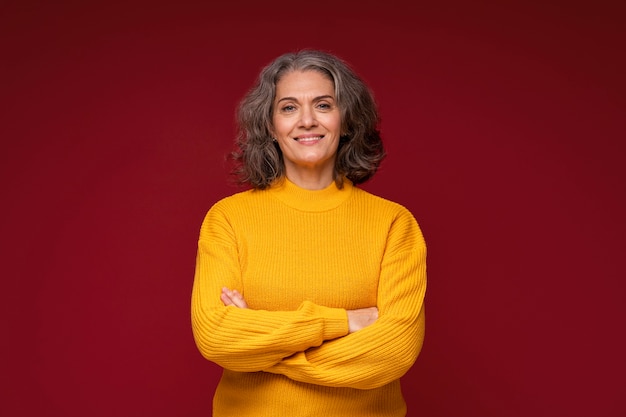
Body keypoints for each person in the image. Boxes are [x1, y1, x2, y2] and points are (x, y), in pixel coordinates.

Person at [191, 49, 427, 417]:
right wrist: (345, 322)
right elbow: (216, 336)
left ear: (346, 119)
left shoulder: (393, 224)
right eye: (288, 108)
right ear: (269, 124)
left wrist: (262, 349)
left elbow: (393, 352)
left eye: (323, 105)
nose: (305, 120)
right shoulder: (229, 219)